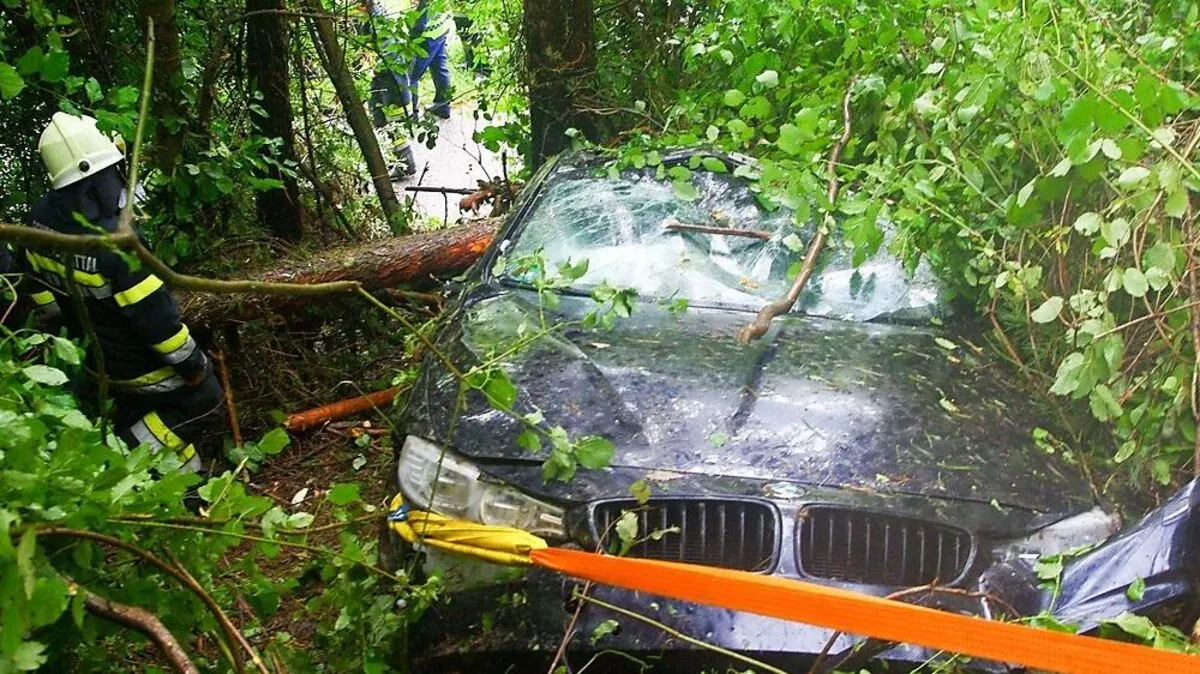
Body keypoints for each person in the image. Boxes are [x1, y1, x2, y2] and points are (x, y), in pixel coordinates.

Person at [11, 112, 224, 472]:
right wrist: (194, 364)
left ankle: (189, 485)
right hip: (144, 372)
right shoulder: (116, 247)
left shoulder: (39, 223)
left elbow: (42, 297)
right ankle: (125, 454)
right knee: (206, 399)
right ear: (97, 178)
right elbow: (157, 323)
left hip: (97, 366)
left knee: (155, 421)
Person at [365, 0, 418, 179]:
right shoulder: (370, 14)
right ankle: (395, 159)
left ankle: (406, 162)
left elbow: (388, 50)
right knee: (378, 116)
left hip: (391, 77)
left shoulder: (377, 16)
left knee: (394, 120)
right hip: (381, 75)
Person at [406, 0, 453, 119]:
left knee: (411, 76)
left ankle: (411, 115)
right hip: (441, 26)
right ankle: (442, 107)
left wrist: (412, 35)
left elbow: (419, 20)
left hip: (425, 36)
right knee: (440, 68)